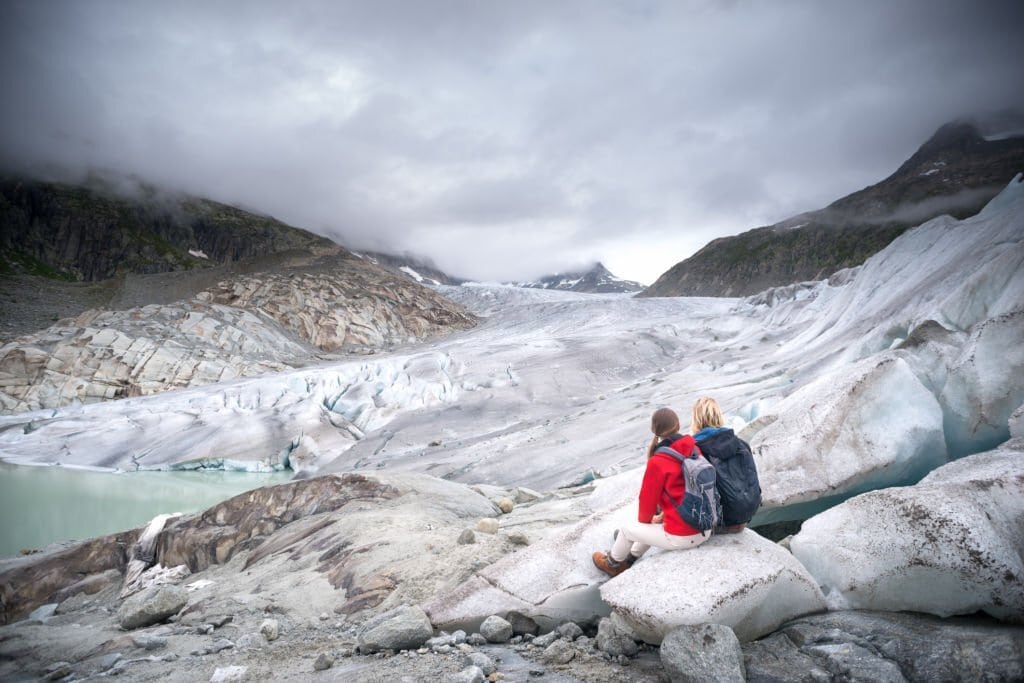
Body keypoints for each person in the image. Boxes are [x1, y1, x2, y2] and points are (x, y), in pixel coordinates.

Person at [592, 407, 711, 577]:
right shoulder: (694, 449)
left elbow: (646, 507)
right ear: (678, 424)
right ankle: (630, 559)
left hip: (683, 536)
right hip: (704, 528)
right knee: (654, 523)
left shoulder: (658, 461)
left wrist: (649, 520)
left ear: (654, 431)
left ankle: (613, 564)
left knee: (627, 530)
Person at [690, 396, 761, 533]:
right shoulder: (740, 444)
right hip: (746, 515)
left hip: (721, 521)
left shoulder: (696, 450)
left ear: (696, 420)